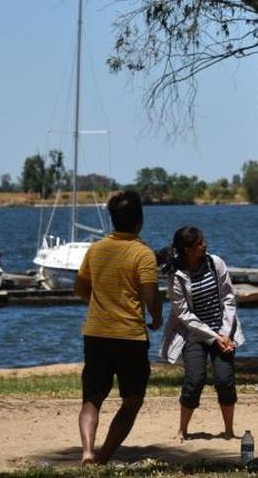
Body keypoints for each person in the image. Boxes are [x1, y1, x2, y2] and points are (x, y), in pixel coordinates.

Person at [74, 190, 163, 464]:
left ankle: (88, 450)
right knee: (133, 398)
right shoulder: (143, 254)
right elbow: (150, 295)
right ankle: (103, 457)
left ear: (112, 220)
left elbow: (80, 289)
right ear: (139, 221)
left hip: (96, 333)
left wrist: (101, 301)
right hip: (130, 336)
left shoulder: (96, 249)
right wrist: (157, 318)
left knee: (92, 397)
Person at [159, 226, 244, 441]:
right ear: (188, 249)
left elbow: (228, 298)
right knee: (194, 380)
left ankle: (229, 430)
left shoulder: (216, 263)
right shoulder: (177, 276)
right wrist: (213, 337)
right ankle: (182, 429)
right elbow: (184, 314)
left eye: (203, 241)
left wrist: (223, 334)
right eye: (199, 243)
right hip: (194, 334)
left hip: (223, 331)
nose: (204, 245)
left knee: (225, 380)